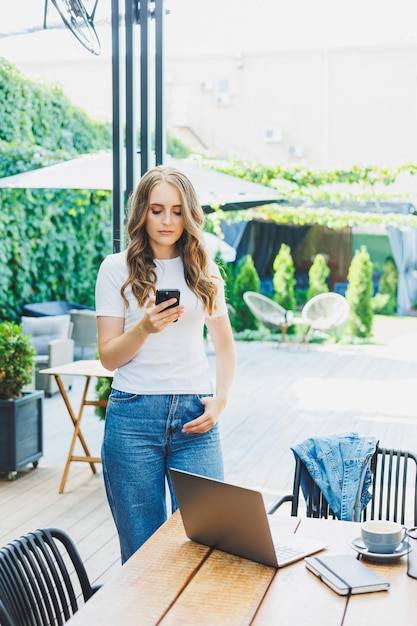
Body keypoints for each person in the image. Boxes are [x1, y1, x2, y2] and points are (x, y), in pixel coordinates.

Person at [95, 165, 237, 563]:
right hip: (133, 418)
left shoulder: (203, 270)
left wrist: (220, 400)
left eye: (177, 210)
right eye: (157, 209)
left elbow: (225, 347)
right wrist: (143, 327)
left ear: (189, 214)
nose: (167, 220)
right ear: (142, 212)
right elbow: (108, 357)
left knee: (210, 545)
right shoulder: (115, 268)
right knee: (142, 554)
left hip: (195, 416)